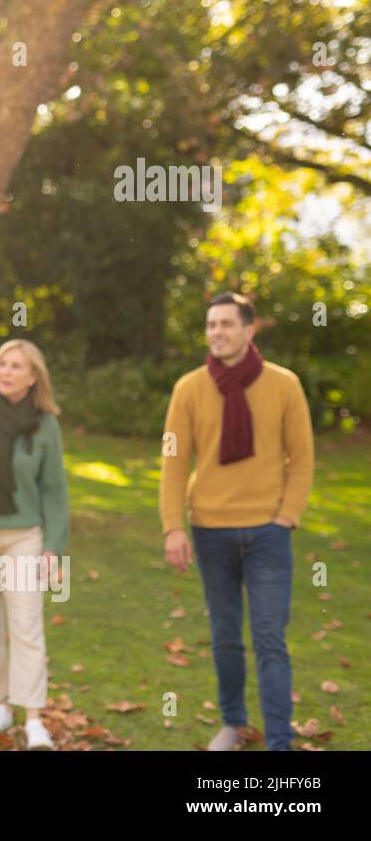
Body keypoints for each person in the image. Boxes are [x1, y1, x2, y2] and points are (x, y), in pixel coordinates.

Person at [159, 292, 314, 752]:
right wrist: (173, 525)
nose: (217, 333)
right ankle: (234, 723)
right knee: (225, 636)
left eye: (227, 324)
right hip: (210, 530)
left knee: (269, 637)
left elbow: (302, 458)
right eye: (211, 325)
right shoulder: (188, 388)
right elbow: (172, 459)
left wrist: (287, 517)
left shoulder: (284, 385)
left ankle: (279, 743)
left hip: (269, 531)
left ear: (249, 330)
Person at [0, 339, 68, 750]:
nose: (5, 372)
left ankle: (34, 717)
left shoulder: (46, 425)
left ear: (34, 376)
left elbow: (54, 490)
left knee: (26, 624)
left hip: (25, 536)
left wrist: (53, 548)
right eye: (2, 364)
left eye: (16, 366)